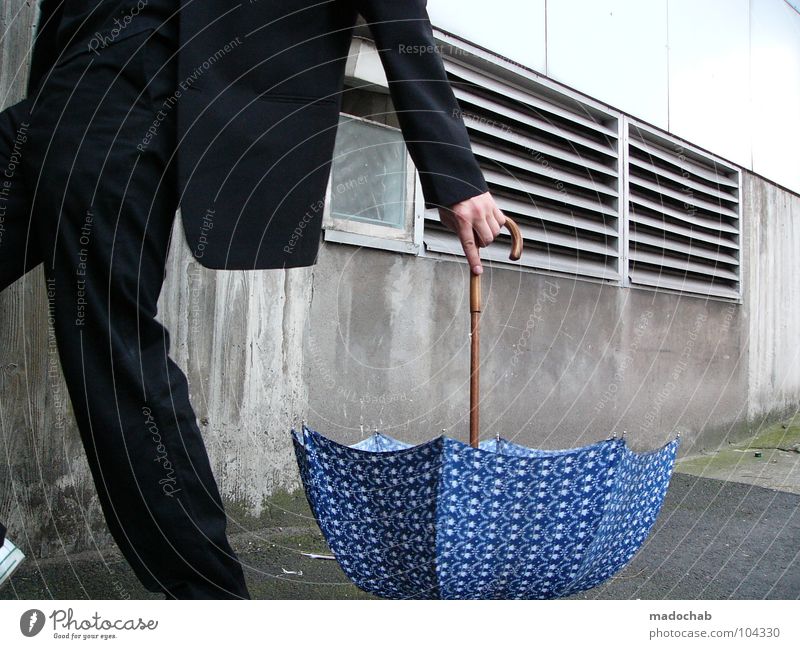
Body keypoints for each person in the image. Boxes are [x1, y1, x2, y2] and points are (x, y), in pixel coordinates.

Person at [0, 0, 506, 598]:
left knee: (111, 349)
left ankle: (211, 601)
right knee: (112, 347)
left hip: (142, 79)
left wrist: (454, 172)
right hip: (80, 79)